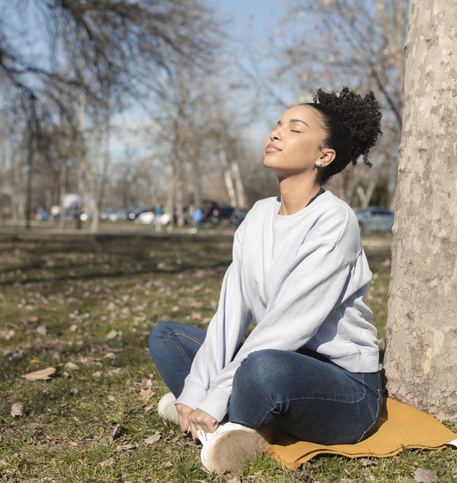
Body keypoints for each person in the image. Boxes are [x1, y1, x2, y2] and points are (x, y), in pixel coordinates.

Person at [148, 87, 384, 474]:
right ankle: (226, 421)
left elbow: (285, 327)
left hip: (346, 389)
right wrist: (195, 391)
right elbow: (229, 316)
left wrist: (216, 391)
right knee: (167, 337)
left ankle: (219, 421)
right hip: (277, 357)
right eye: (277, 125)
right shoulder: (257, 216)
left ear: (324, 156)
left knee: (262, 369)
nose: (275, 133)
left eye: (294, 129)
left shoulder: (335, 221)